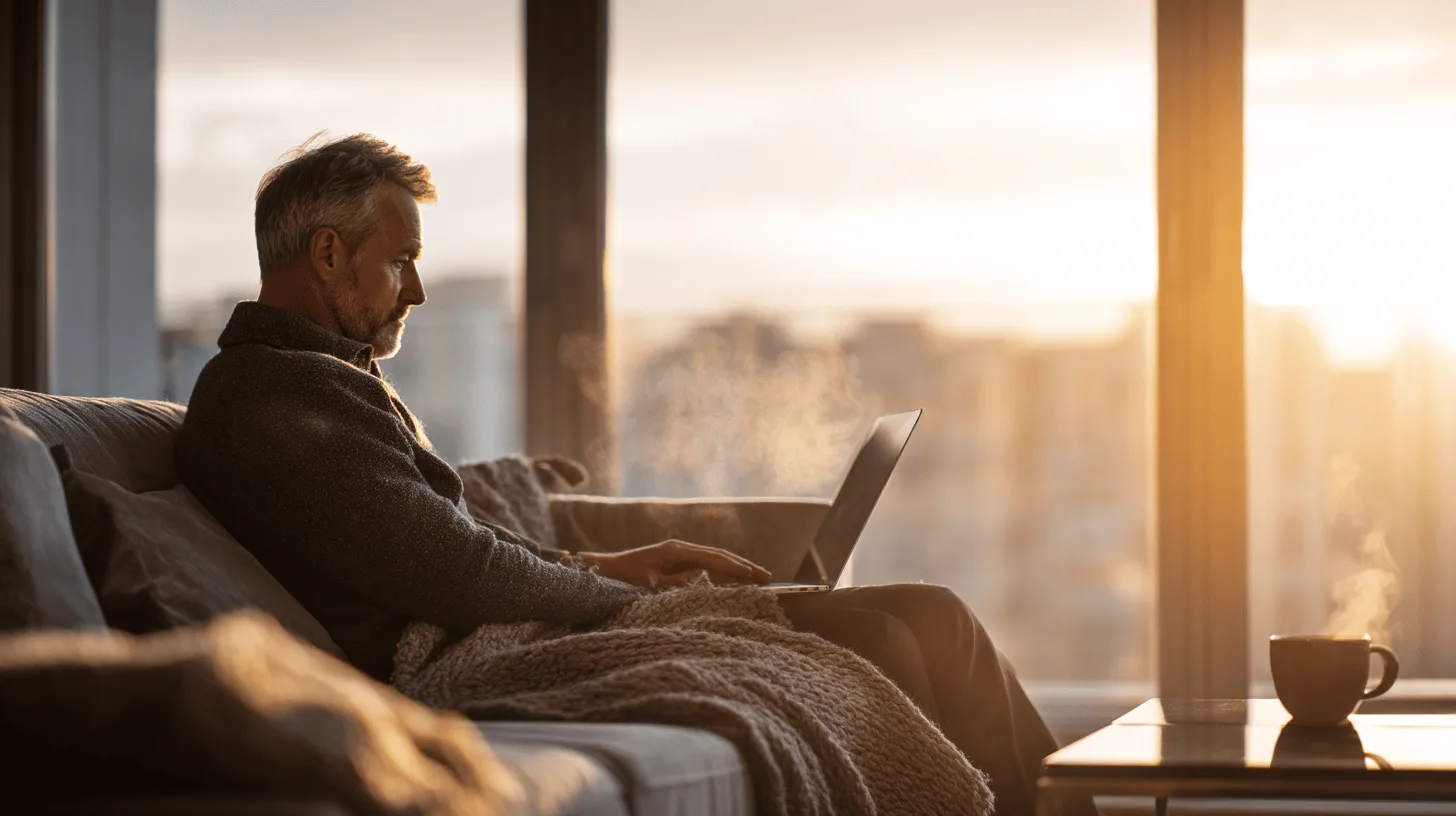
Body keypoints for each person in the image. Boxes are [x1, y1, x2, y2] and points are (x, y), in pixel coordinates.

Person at [177, 133, 1093, 816]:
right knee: (897, 631)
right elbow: (447, 570)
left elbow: (437, 541)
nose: (413, 290)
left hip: (488, 626)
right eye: (402, 260)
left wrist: (612, 568)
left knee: (927, 615)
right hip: (448, 661)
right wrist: (604, 591)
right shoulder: (271, 399)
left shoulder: (317, 382)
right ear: (328, 254)